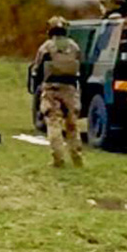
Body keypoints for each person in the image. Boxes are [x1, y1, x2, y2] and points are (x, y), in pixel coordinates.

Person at [31, 16, 84, 168]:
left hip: (51, 90)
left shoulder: (46, 47)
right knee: (72, 125)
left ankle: (58, 159)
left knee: (53, 123)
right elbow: (81, 66)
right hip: (70, 90)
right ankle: (77, 159)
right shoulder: (74, 46)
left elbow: (37, 69)